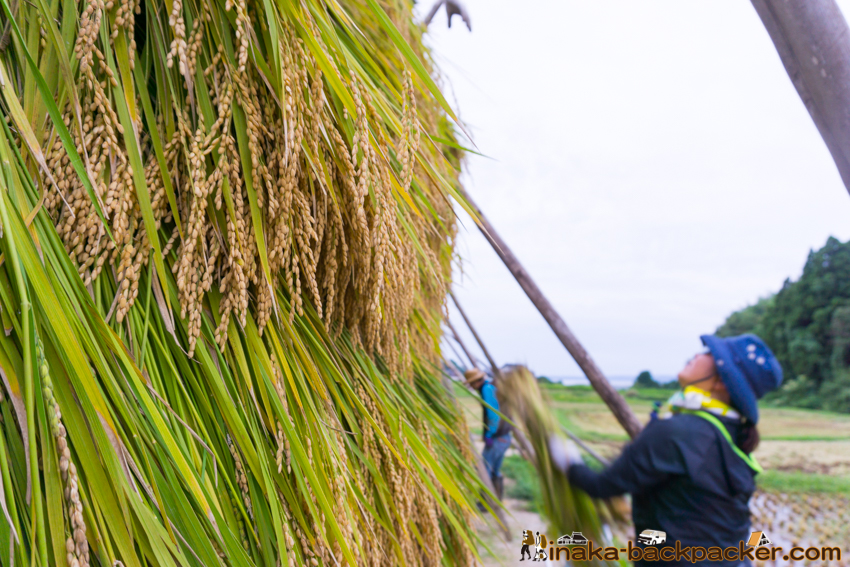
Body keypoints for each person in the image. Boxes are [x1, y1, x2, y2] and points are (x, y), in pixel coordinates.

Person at [549, 333, 782, 566]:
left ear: (721, 381)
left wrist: (569, 463)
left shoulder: (677, 432)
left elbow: (602, 486)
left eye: (710, 354)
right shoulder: (731, 433)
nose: (698, 355)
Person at [465, 368, 512, 500]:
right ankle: (497, 499)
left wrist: (489, 434)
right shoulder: (491, 388)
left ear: (475, 382)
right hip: (504, 437)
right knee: (495, 470)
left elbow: (493, 415)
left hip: (497, 438)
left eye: (471, 384)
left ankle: (488, 501)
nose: (472, 387)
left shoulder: (486, 389)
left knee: (485, 469)